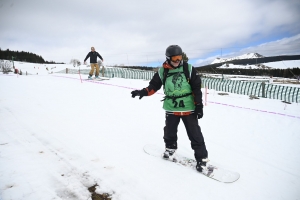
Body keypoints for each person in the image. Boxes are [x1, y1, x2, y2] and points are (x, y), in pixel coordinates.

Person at [131, 45, 209, 173]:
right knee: (169, 131)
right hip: (171, 107)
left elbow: (196, 88)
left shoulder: (188, 69)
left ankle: (202, 159)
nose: (178, 61)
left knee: (195, 134)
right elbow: (153, 86)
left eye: (180, 57)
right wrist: (142, 92)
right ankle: (170, 149)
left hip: (188, 107)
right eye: (175, 58)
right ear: (168, 58)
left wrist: (199, 105)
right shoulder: (163, 71)